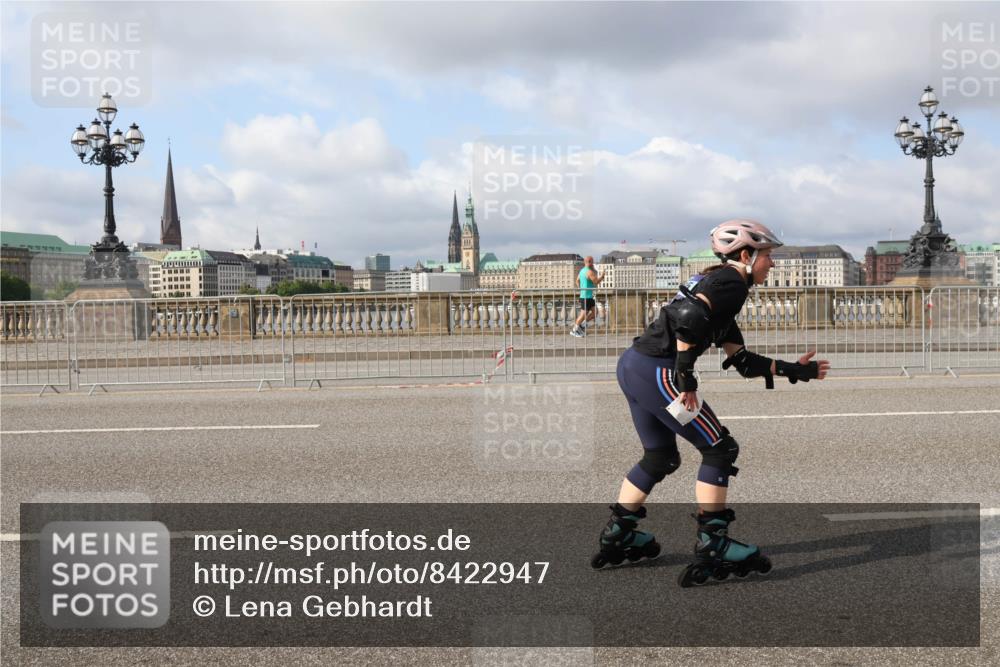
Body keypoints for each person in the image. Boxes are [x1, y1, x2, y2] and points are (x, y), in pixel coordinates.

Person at [590, 219, 831, 586]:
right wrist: (685, 378)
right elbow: (688, 320)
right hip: (660, 371)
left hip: (636, 365)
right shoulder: (732, 283)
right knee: (720, 449)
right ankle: (713, 544)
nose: (773, 264)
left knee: (660, 457)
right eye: (768, 256)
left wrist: (796, 370)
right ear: (747, 255)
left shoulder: (720, 286)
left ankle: (618, 533)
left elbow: (743, 361)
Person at [571, 256, 604, 337]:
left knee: (595, 312)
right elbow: (596, 282)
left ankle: (581, 326)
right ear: (589, 262)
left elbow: (577, 280)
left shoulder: (582, 271)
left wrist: (581, 289)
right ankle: (574, 330)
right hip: (586, 296)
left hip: (588, 296)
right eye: (592, 262)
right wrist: (602, 276)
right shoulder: (589, 272)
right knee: (583, 315)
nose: (593, 263)